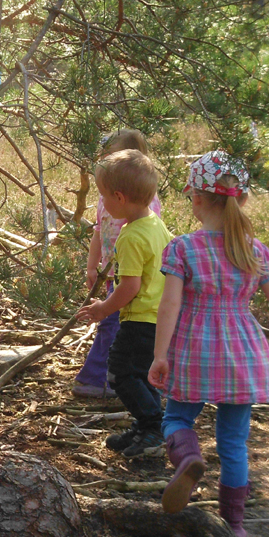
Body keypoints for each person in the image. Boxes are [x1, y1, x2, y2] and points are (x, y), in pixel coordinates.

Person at [149, 152, 269, 537]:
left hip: (195, 351)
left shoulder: (183, 248)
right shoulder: (256, 250)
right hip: (244, 353)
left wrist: (159, 355)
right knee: (234, 443)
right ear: (242, 199)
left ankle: (188, 457)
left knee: (176, 418)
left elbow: (170, 304)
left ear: (197, 199)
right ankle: (234, 525)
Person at [78, 149, 172, 459]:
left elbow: (130, 286)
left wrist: (103, 309)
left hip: (140, 319)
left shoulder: (130, 236)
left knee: (120, 373)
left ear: (119, 197)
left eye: (103, 195)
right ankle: (147, 425)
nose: (102, 202)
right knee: (141, 374)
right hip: (158, 318)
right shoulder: (155, 224)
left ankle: (153, 426)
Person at [74, 129, 163, 398]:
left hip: (131, 278)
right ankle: (115, 378)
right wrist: (93, 266)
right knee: (115, 326)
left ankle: (99, 379)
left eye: (109, 156)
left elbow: (147, 245)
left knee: (113, 324)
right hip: (114, 274)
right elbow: (99, 232)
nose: (104, 160)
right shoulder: (107, 199)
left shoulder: (143, 208)